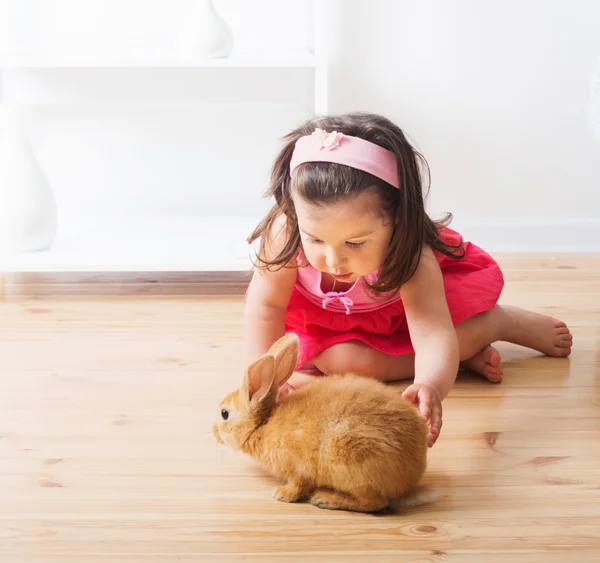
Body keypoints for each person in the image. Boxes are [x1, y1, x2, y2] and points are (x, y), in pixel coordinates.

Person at [243, 112, 572, 447]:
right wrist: (265, 379)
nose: (333, 260)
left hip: (402, 319)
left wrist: (430, 384)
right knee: (330, 361)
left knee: (353, 363)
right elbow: (266, 307)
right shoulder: (284, 233)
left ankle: (496, 323)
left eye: (355, 243)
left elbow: (431, 331)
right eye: (314, 239)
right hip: (332, 324)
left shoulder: (411, 255)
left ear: (396, 221)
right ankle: (463, 355)